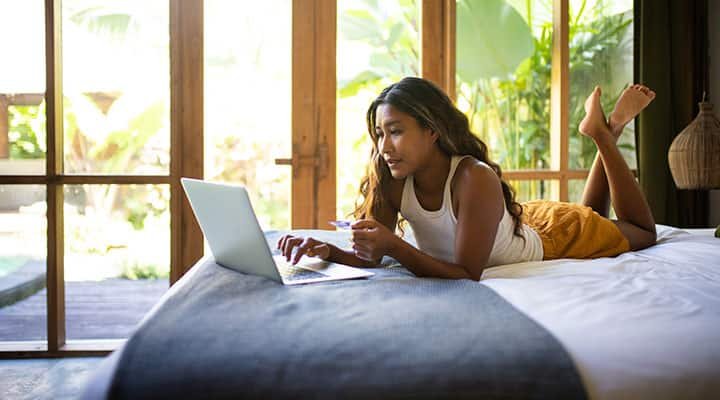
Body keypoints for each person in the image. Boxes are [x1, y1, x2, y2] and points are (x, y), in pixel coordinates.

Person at [277, 77, 657, 281]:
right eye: (379, 133)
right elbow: (373, 257)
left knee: (639, 231)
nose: (384, 145)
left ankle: (605, 135)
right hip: (516, 222)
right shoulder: (392, 175)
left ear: (432, 131)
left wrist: (394, 244)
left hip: (554, 238)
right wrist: (328, 251)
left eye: (395, 131)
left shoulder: (473, 178)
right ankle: (608, 130)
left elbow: (466, 273)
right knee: (592, 213)